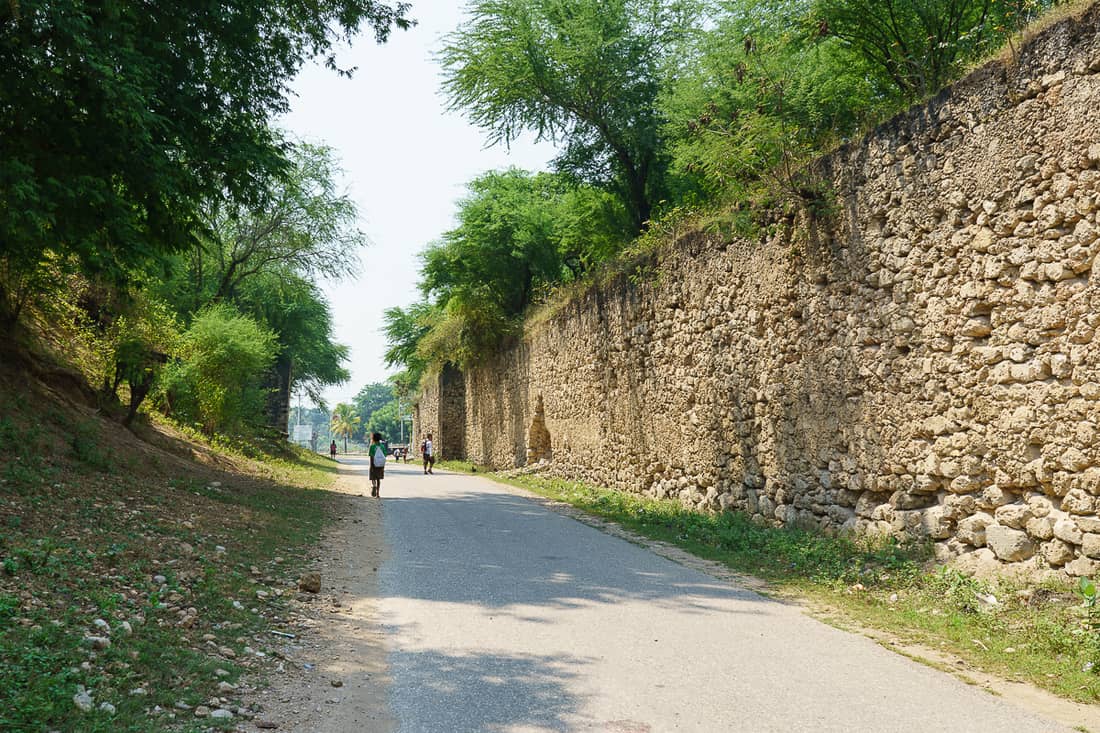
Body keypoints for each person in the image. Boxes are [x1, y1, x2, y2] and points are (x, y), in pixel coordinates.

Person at [368, 432, 386, 497]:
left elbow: (371, 457)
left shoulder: (372, 446)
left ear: (373, 439)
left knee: (373, 477)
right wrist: (383, 466)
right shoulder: (382, 447)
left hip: (374, 464)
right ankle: (378, 493)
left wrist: (371, 466)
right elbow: (384, 457)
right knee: (378, 479)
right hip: (380, 465)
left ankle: (374, 485)